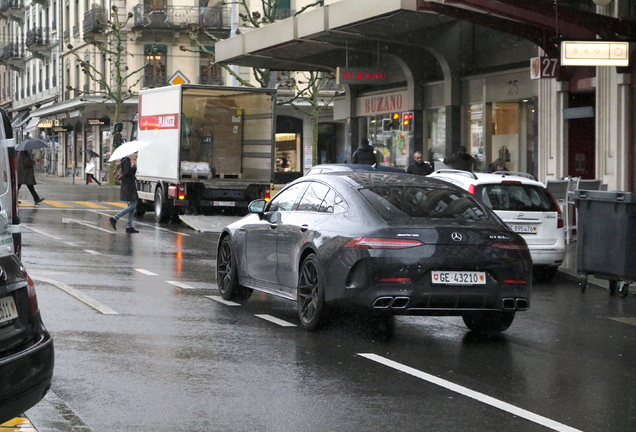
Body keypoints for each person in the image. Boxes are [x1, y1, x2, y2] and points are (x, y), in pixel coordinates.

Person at [109, 152, 139, 234]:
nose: (137, 155)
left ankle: (129, 226)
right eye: (135, 153)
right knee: (133, 205)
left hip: (129, 185)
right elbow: (127, 173)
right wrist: (134, 167)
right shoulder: (126, 160)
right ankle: (115, 218)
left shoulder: (127, 160)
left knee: (132, 206)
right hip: (128, 186)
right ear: (130, 154)